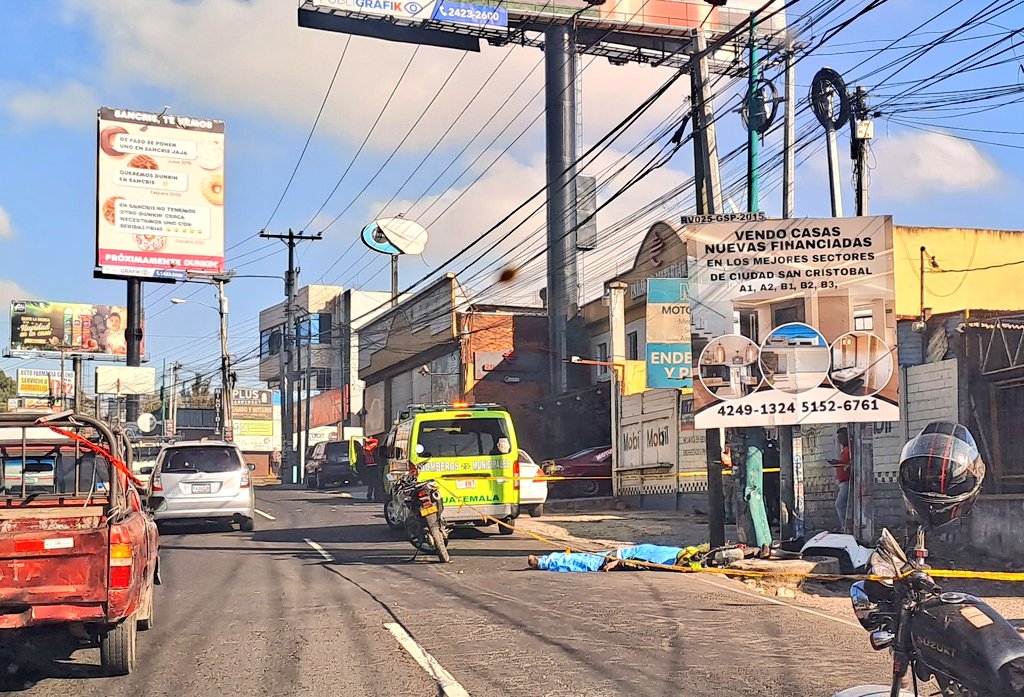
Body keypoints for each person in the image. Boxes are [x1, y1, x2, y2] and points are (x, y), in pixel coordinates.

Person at [828, 427, 852, 531]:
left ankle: (845, 527)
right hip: (842, 482)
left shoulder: (850, 450)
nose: (840, 440)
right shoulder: (844, 450)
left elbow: (850, 464)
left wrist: (839, 464)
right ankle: (846, 526)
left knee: (839, 504)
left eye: (841, 437)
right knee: (844, 505)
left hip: (847, 482)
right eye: (839, 438)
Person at [362, 437, 381, 502]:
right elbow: (377, 441)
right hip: (374, 466)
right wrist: (370, 439)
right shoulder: (372, 447)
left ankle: (369, 496)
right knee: (376, 483)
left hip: (368, 466)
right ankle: (376, 497)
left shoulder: (365, 449)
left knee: (371, 483)